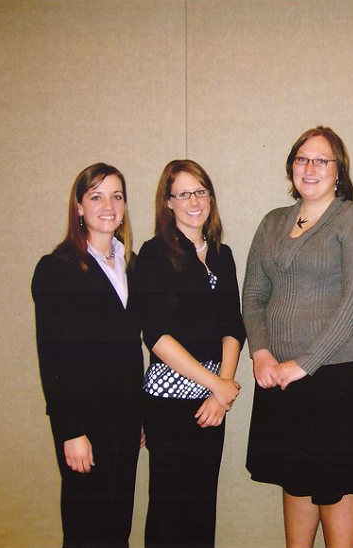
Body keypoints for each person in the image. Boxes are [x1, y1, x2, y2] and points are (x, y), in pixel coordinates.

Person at [243, 126, 353, 548]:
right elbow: (253, 295)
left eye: (322, 160)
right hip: (278, 374)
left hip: (338, 372)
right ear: (291, 166)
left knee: (335, 483)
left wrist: (304, 363)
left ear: (339, 170)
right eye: (303, 158)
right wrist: (262, 355)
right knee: (295, 476)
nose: (311, 168)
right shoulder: (273, 222)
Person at [131, 159, 244, 548]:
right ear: (168, 203)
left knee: (201, 507)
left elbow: (234, 325)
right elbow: (157, 336)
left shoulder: (221, 254)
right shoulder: (153, 254)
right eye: (183, 193)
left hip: (213, 398)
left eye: (200, 191)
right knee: (168, 508)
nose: (194, 201)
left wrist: (221, 390)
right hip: (170, 401)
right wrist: (217, 385)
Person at [32, 163, 143, 548]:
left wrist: (139, 416)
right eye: (96, 196)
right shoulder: (56, 269)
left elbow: (131, 351)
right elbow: (53, 360)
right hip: (84, 424)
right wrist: (71, 431)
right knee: (85, 529)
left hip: (125, 422)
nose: (108, 205)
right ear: (79, 207)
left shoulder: (131, 263)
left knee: (117, 527)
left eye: (116, 195)